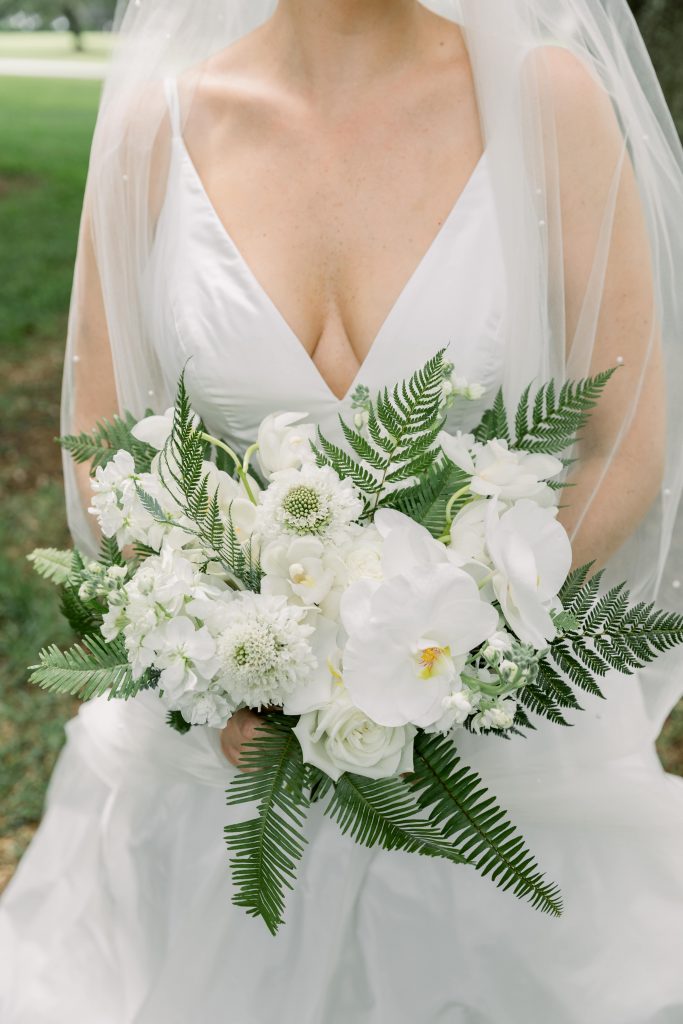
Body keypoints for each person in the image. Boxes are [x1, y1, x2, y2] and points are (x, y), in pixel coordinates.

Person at [2, 1, 683, 1021]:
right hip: (216, 774)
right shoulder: (158, 126)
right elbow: (105, 439)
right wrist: (228, 652)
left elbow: (620, 436)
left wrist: (456, 655)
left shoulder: (545, 104)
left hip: (491, 757)